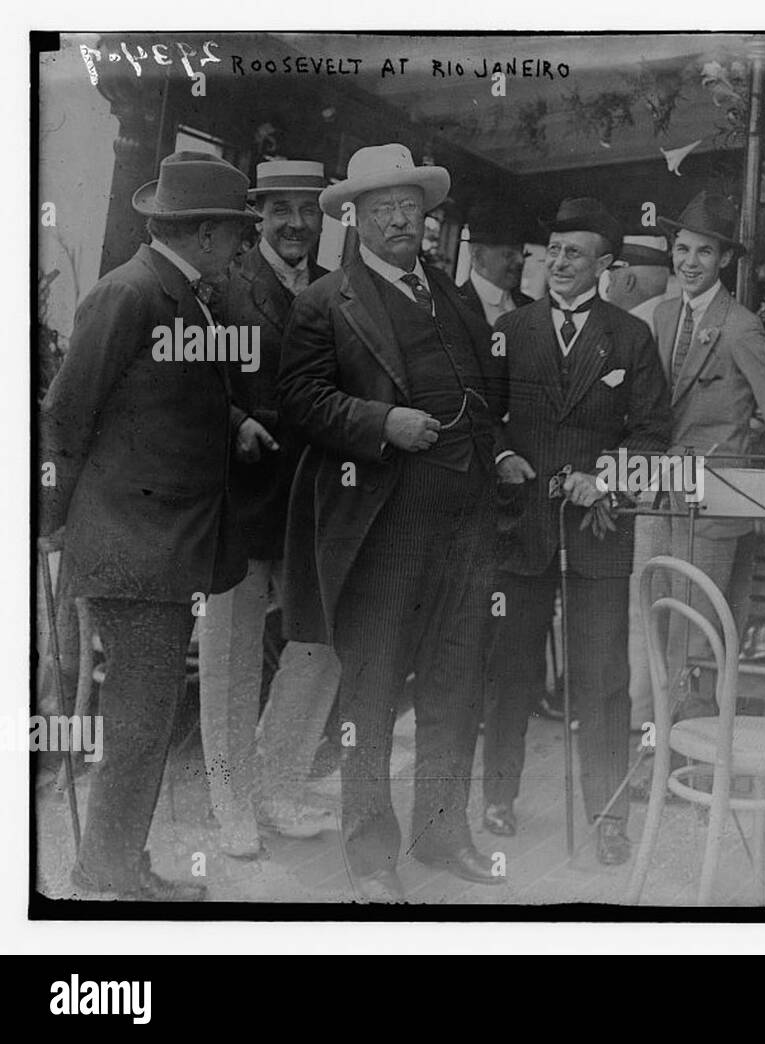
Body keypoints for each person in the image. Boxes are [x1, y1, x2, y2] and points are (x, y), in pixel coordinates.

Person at [278, 143, 510, 900]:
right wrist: (384, 421)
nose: (402, 221)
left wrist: (498, 452)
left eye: (411, 208)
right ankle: (371, 856)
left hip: (466, 527)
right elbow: (302, 402)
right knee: (372, 697)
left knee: (455, 684)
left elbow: (485, 391)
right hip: (381, 529)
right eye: (383, 210)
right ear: (353, 218)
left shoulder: (453, 294)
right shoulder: (324, 302)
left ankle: (443, 837)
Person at [41, 151, 258, 900]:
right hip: (129, 550)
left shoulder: (185, 295)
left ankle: (114, 864)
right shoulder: (129, 294)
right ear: (203, 233)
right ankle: (106, 874)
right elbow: (66, 414)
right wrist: (48, 521)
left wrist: (233, 421)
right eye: (237, 233)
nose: (242, 247)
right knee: (139, 724)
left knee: (145, 719)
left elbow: (157, 397)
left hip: (160, 548)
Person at [482, 197, 672, 864]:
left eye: (575, 254)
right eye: (553, 251)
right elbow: (487, 418)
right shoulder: (511, 328)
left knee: (603, 674)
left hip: (597, 529)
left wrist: (607, 477)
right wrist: (504, 458)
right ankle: (498, 796)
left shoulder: (630, 338)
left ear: (606, 265)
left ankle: (610, 811)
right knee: (512, 667)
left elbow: (652, 432)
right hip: (521, 525)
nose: (559, 263)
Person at [630, 192, 765, 733]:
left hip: (712, 506)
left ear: (724, 260)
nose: (689, 262)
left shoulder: (739, 327)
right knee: (644, 632)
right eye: (681, 249)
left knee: (694, 642)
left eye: (703, 253)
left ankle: (690, 756)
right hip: (654, 498)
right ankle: (646, 749)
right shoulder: (660, 317)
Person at [198, 160, 340, 858]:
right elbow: (191, 383)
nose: (295, 224)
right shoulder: (226, 286)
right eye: (281, 209)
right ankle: (230, 806)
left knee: (321, 644)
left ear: (323, 218)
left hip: (312, 499)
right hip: (243, 494)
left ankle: (278, 787)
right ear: (259, 216)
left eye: (307, 210)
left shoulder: (336, 291)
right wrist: (234, 424)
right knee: (229, 659)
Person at [456, 202, 533, 326]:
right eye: (509, 254)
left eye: (522, 252)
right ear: (479, 256)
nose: (521, 260)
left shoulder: (531, 309)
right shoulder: (451, 307)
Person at [601, 233, 672, 328]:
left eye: (612, 281)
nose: (606, 291)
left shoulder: (631, 331)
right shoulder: (671, 321)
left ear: (629, 282)